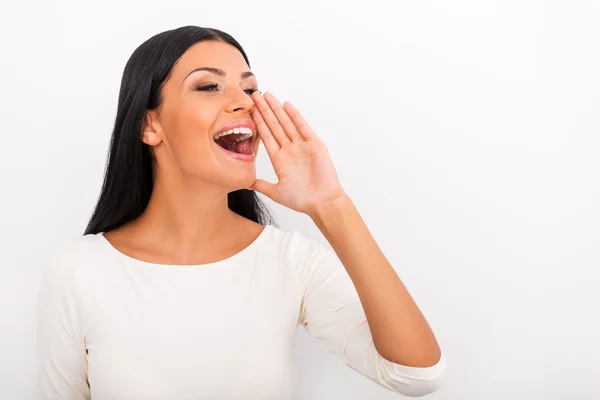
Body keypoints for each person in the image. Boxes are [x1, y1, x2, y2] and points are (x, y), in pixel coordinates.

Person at [36, 26, 446, 399]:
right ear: (149, 125)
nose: (244, 103)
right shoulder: (79, 272)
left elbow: (416, 375)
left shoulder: (290, 262)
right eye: (209, 86)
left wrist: (330, 205)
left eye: (249, 89)